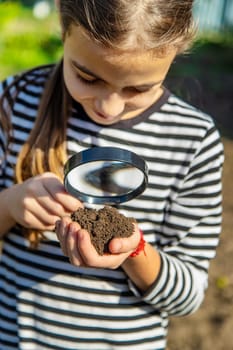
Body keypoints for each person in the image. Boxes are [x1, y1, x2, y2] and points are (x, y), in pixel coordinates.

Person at [0, 1, 224, 349]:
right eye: (87, 76)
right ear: (63, 25)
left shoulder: (193, 140)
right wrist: (10, 205)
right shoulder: (14, 103)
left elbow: (188, 297)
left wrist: (136, 252)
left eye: (138, 88)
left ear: (176, 51)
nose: (109, 107)